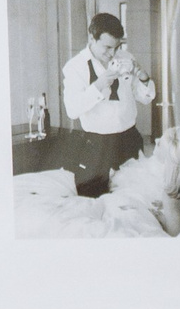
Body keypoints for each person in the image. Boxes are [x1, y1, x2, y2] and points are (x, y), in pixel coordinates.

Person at [62, 14, 155, 198]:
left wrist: (143, 77)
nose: (112, 53)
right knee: (92, 200)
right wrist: (98, 86)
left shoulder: (126, 58)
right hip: (96, 145)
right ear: (92, 38)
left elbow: (145, 98)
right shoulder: (75, 67)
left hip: (129, 140)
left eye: (117, 47)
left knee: (134, 200)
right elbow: (72, 110)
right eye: (107, 47)